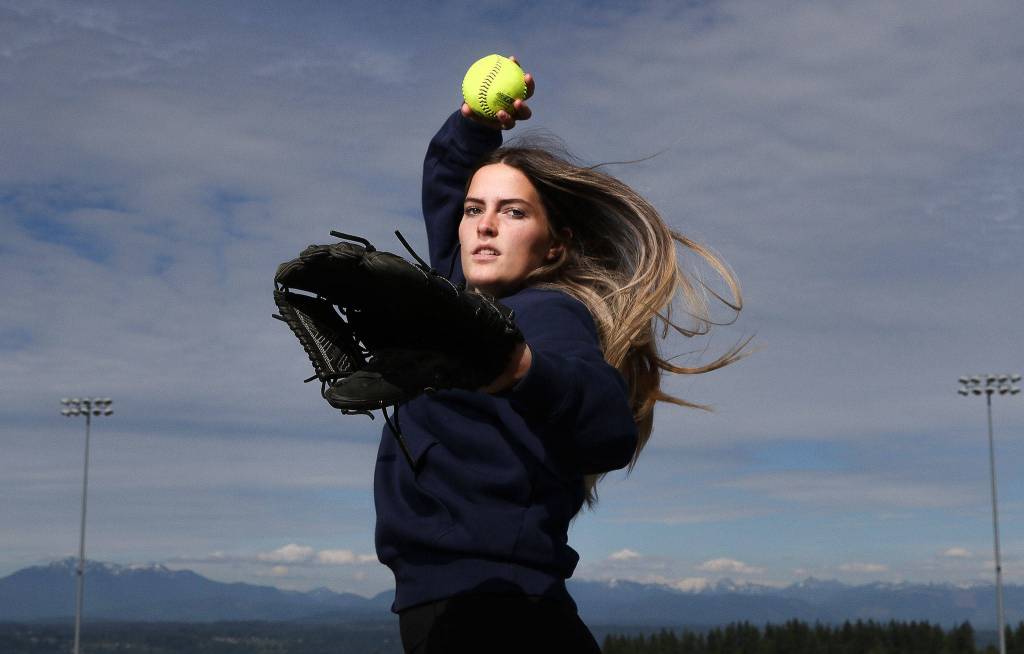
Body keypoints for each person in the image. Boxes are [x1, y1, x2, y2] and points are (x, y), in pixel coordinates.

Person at [374, 58, 747, 654]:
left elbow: (606, 425)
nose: (484, 226)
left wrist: (518, 368)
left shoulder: (546, 314)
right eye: (476, 211)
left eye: (513, 212)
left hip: (501, 614)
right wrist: (474, 126)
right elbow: (448, 180)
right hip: (450, 602)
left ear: (553, 246)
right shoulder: (461, 301)